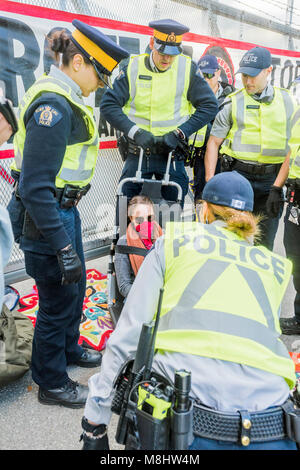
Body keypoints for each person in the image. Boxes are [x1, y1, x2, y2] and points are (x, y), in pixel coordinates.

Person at [80, 170, 298, 451]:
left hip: (188, 422)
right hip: (272, 427)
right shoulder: (274, 266)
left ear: (203, 210)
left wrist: (94, 422)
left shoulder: (173, 243)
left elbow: (127, 337)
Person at [6, 20, 129, 408]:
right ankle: (51, 382)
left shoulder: (68, 96)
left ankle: (70, 349)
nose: (101, 83)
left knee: (73, 294)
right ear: (78, 62)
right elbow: (34, 187)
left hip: (64, 211)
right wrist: (63, 247)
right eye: (99, 73)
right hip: (46, 218)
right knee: (56, 302)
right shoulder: (53, 106)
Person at [100, 19, 218, 210]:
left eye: (172, 55)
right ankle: (129, 240)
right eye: (162, 53)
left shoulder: (187, 68)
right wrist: (135, 132)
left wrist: (180, 133)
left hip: (172, 155)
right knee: (126, 214)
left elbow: (209, 105)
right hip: (137, 152)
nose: (167, 60)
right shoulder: (132, 66)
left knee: (171, 217)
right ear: (152, 43)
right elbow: (108, 105)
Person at [204, 46, 297, 250]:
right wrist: (210, 182)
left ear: (268, 71)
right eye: (244, 75)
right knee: (231, 242)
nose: (247, 81)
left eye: (253, 76)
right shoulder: (232, 103)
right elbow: (213, 142)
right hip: (237, 178)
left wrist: (277, 188)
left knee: (264, 246)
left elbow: (294, 146)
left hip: (270, 183)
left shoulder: (288, 102)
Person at [189, 54, 235, 202]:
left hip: (226, 161)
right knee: (202, 200)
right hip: (202, 159)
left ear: (218, 73)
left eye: (210, 74)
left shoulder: (232, 98)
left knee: (224, 203)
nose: (207, 79)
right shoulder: (192, 97)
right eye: (202, 75)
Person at [272, 104, 300, 335]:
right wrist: (276, 187)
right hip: (297, 198)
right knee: (295, 255)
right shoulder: (298, 113)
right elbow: (291, 154)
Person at [115, 194, 163, 299]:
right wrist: (149, 297)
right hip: (138, 297)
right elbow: (124, 286)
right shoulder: (124, 242)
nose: (145, 223)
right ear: (131, 218)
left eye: (149, 218)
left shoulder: (161, 236)